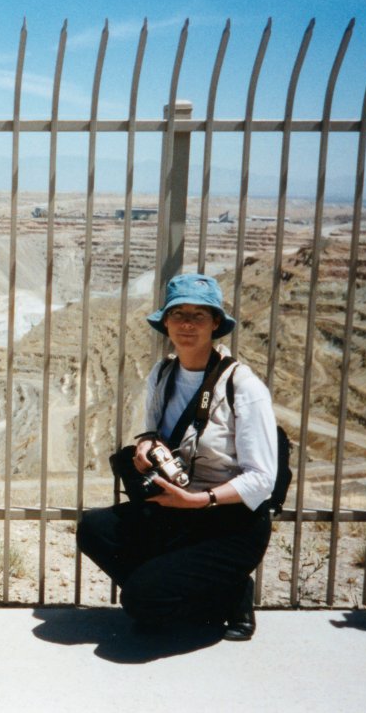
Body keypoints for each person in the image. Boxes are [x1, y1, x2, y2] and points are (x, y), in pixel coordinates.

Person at [76, 273, 278, 641]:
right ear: (165, 321)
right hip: (175, 511)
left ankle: (228, 593)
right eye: (178, 314)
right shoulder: (163, 372)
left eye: (199, 315)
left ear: (216, 323)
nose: (187, 324)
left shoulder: (242, 386)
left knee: (140, 604)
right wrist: (145, 447)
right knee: (94, 530)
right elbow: (152, 431)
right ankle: (203, 590)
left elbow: (263, 477)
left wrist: (199, 500)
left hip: (228, 522)